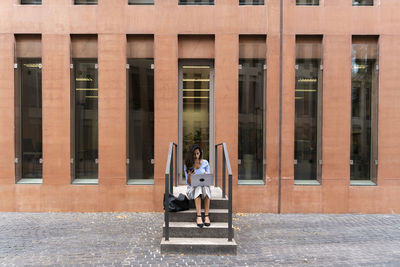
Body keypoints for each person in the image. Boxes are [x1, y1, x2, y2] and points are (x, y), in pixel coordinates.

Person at [184, 144, 211, 228]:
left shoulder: (205, 163)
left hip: (204, 189)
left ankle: (206, 216)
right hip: (192, 190)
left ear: (200, 153)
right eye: (194, 154)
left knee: (205, 186)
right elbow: (189, 183)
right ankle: (199, 216)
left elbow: (209, 180)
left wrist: (206, 174)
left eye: (197, 153)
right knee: (198, 187)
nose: (196, 156)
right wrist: (189, 175)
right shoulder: (188, 164)